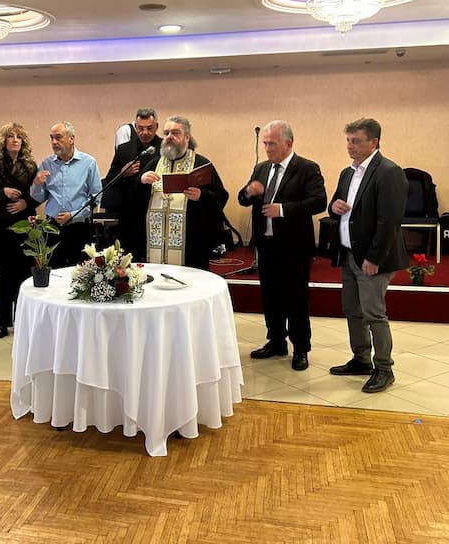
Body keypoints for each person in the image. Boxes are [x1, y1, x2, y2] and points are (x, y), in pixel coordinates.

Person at [238, 120, 326, 371]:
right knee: (270, 296)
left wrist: (283, 209)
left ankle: (301, 349)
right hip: (266, 245)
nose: (267, 148)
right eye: (265, 143)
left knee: (296, 298)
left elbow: (319, 201)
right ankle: (276, 341)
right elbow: (243, 199)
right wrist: (249, 192)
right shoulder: (261, 168)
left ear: (288, 143)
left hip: (294, 246)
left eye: (272, 144)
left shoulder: (307, 168)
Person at [328, 118, 408, 393]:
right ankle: (361, 359)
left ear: (374, 142)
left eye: (356, 141)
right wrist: (334, 206)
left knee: (374, 314)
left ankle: (384, 368)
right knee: (352, 310)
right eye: (348, 141)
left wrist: (374, 258)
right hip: (349, 253)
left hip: (372, 258)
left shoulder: (388, 172)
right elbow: (335, 204)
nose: (350, 146)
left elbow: (389, 221)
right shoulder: (347, 173)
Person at [140, 115, 228, 269]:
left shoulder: (201, 164)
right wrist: (141, 182)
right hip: (155, 243)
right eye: (166, 133)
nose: (169, 137)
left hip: (191, 246)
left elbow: (221, 197)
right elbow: (134, 201)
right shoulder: (153, 164)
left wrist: (202, 196)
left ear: (187, 137)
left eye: (175, 133)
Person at [0, 122, 39, 338]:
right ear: (3, 141)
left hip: (24, 226)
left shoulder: (31, 166)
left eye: (18, 137)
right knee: (2, 274)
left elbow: (38, 194)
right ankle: (2, 321)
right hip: (1, 226)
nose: (15, 140)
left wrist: (26, 203)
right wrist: (2, 192)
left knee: (23, 273)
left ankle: (22, 320)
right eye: (10, 136)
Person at [29, 121, 102, 268]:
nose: (54, 142)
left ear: (71, 138)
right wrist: (36, 184)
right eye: (51, 138)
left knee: (81, 273)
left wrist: (74, 215)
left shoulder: (88, 163)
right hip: (52, 229)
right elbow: (38, 198)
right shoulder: (47, 164)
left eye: (58, 137)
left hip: (79, 228)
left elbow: (96, 197)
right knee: (54, 273)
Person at [102, 107, 161, 261]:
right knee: (130, 261)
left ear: (156, 127)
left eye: (149, 128)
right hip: (130, 214)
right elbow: (110, 181)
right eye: (141, 128)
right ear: (135, 127)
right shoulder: (124, 149)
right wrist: (123, 172)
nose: (145, 132)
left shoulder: (165, 148)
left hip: (157, 212)